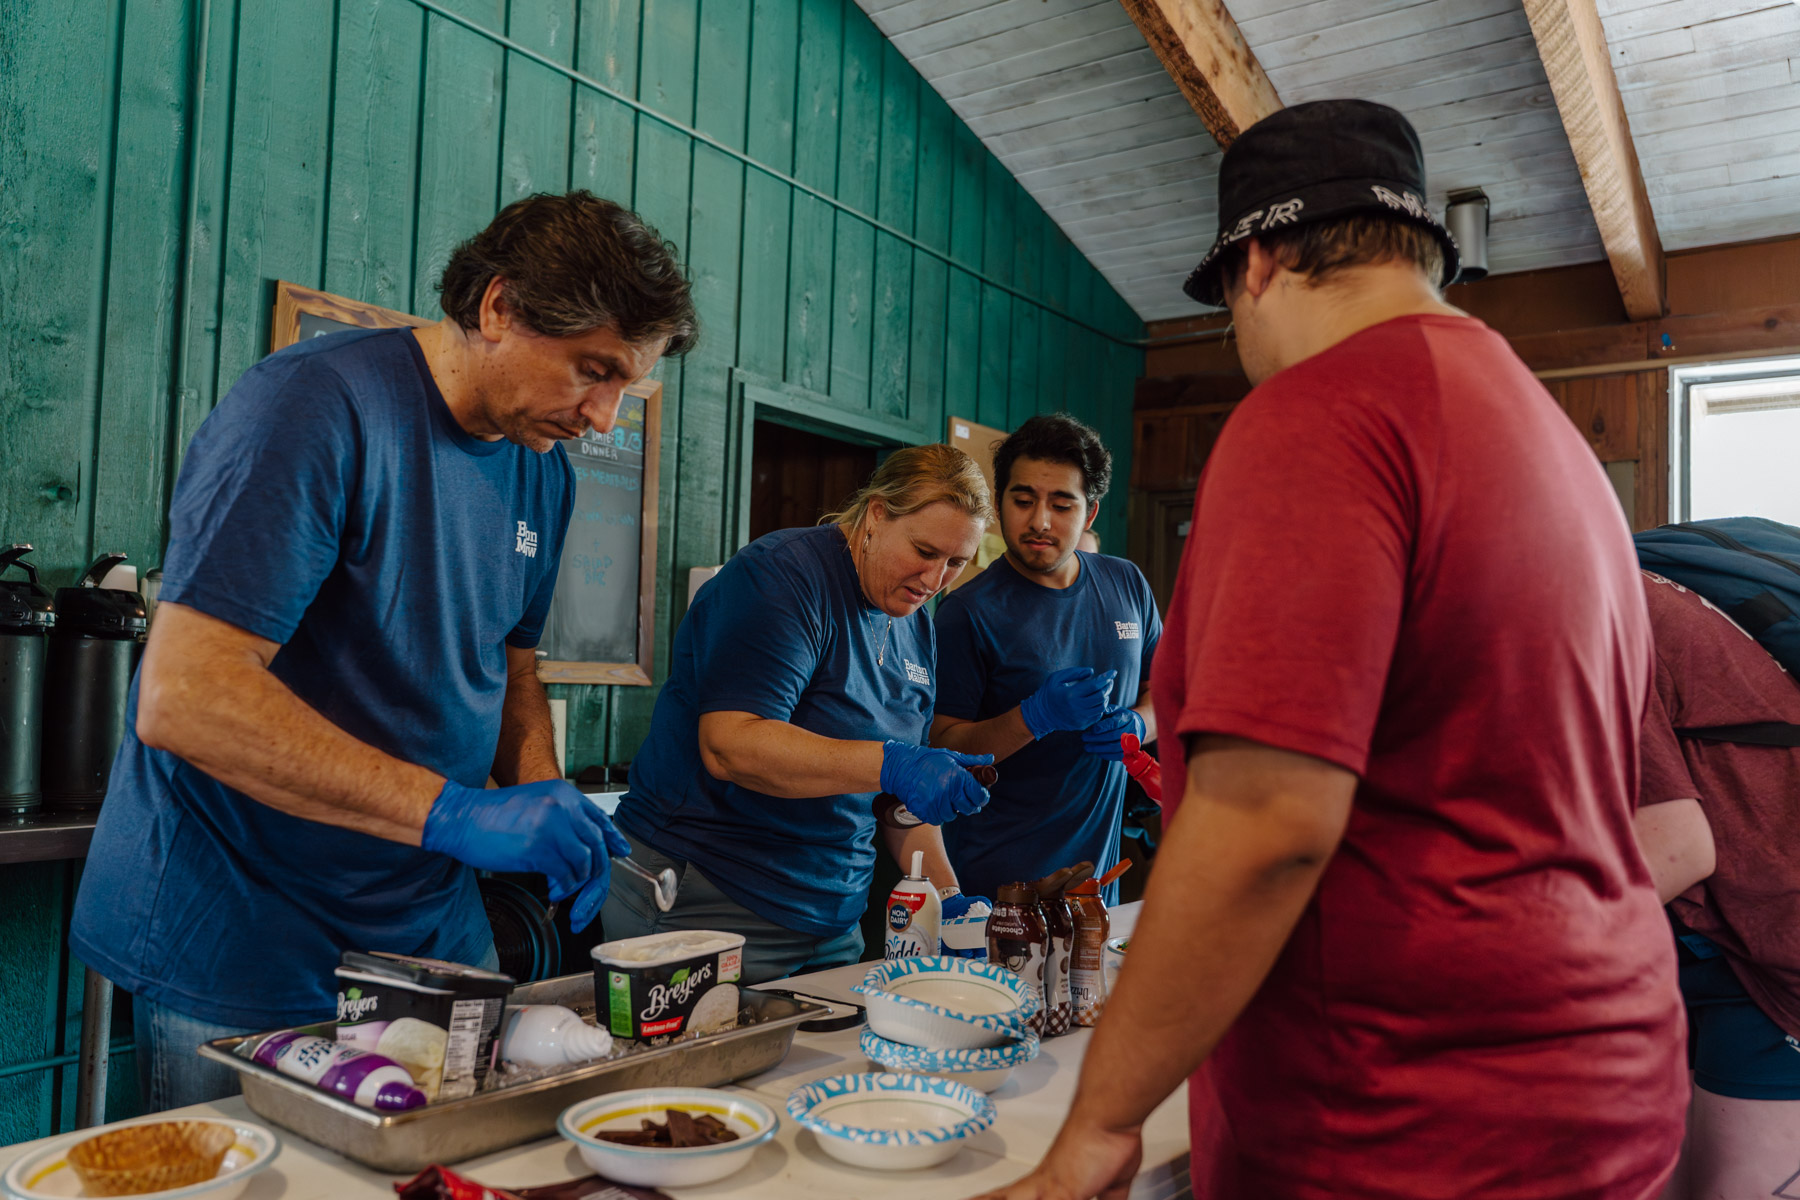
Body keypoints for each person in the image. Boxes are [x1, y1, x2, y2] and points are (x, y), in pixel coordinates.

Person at [978, 100, 1684, 1200]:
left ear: (1256, 262)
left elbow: (1267, 822)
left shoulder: (1319, 414)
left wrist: (1099, 1127)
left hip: (1406, 1109)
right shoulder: (1549, 437)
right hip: (1599, 1071)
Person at [69, 191, 698, 1111]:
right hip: (247, 932)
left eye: (624, 389)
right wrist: (450, 812)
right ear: (499, 308)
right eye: (591, 372)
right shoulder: (313, 409)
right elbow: (186, 696)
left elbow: (513, 664)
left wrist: (534, 785)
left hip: (429, 931)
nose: (603, 418)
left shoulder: (543, 473)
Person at [604, 445, 996, 982]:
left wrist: (950, 899)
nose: (934, 578)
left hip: (834, 921)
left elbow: (898, 803)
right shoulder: (782, 578)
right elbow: (730, 745)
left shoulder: (916, 622)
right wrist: (892, 762)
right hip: (707, 896)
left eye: (956, 562)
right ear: (877, 515)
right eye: (924, 550)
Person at [932, 414, 1160, 902]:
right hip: (996, 890)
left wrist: (1139, 726)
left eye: (1061, 504)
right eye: (1023, 500)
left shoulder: (1127, 585)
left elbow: (1163, 693)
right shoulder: (966, 612)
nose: (1039, 521)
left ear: (1091, 513)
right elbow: (943, 746)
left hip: (1095, 886)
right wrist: (1033, 717)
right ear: (998, 505)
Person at [1634, 570, 1800, 1198]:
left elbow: (1676, 847)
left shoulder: (1588, 617)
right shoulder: (1607, 589)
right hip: (1693, 940)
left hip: (1771, 950)